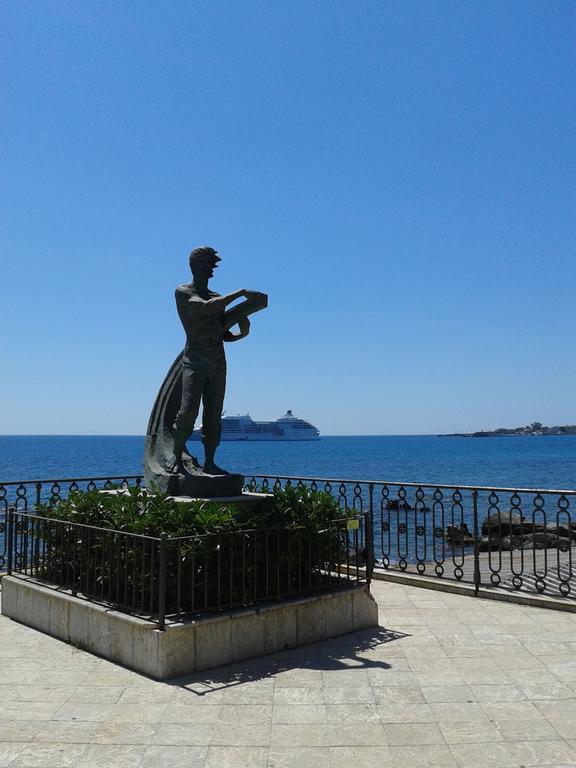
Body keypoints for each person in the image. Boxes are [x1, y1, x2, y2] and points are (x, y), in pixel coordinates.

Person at [165, 246, 260, 475]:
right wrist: (240, 293)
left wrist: (243, 332)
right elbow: (205, 308)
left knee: (214, 414)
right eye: (207, 264)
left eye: (212, 265)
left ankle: (209, 463)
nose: (211, 270)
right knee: (188, 412)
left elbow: (222, 333)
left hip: (218, 361)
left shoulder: (218, 297)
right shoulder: (183, 292)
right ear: (194, 266)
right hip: (194, 360)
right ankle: (176, 458)